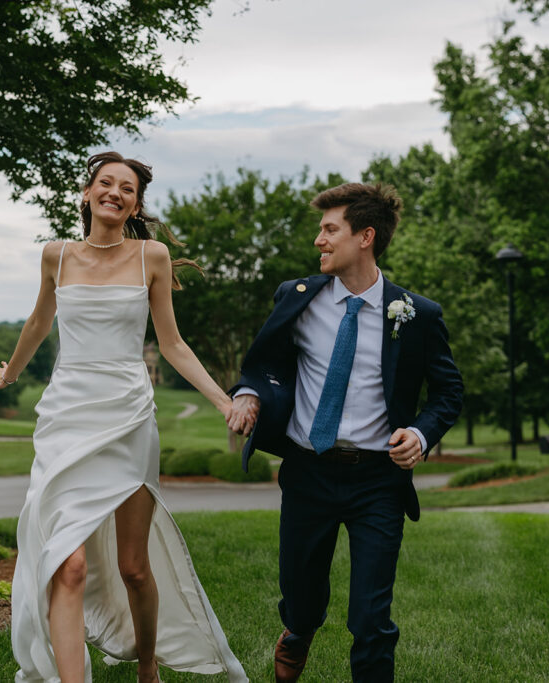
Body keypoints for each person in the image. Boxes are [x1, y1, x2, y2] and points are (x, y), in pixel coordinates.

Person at [0, 152, 248, 683]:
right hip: (66, 417)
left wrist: (223, 401)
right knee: (68, 563)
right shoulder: (56, 255)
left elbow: (171, 344)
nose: (115, 193)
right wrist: (10, 372)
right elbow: (39, 320)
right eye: (106, 183)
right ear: (87, 194)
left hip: (128, 417)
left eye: (127, 188)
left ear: (136, 204)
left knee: (134, 567)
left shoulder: (153, 256)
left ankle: (148, 665)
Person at [227, 182, 464, 682]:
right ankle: (298, 630)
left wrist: (420, 436)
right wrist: (248, 394)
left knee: (372, 619)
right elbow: (262, 364)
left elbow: (448, 394)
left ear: (365, 236)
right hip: (308, 472)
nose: (319, 240)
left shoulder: (417, 314)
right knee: (302, 596)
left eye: (330, 229)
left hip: (379, 480)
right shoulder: (295, 298)